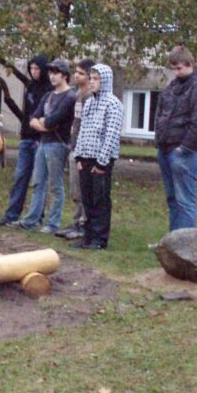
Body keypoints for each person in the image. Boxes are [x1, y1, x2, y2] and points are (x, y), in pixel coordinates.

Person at [153, 46, 197, 232]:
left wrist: (184, 147)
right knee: (173, 200)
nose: (176, 72)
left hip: (183, 152)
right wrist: (159, 140)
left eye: (179, 68)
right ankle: (174, 242)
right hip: (166, 148)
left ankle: (186, 244)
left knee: (185, 200)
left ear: (190, 65)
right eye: (174, 68)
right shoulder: (172, 87)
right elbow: (160, 113)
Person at [19, 59, 77, 234]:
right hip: (43, 142)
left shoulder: (70, 97)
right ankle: (32, 219)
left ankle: (53, 223)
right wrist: (43, 124)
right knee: (38, 182)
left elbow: (53, 120)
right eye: (50, 73)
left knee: (55, 185)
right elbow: (32, 118)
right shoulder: (48, 96)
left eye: (56, 73)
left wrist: (45, 123)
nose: (52, 76)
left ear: (65, 75)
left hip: (57, 144)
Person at [71, 64, 124, 250]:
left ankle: (100, 239)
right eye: (91, 78)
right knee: (87, 199)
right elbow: (82, 130)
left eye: (95, 79)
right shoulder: (89, 102)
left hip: (101, 159)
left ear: (105, 80)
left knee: (100, 199)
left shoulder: (113, 104)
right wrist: (78, 157)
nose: (91, 82)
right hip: (85, 157)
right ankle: (88, 236)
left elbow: (111, 135)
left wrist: (102, 163)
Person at [0, 56, 50, 226]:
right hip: (26, 138)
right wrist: (24, 133)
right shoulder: (30, 87)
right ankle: (12, 214)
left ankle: (36, 216)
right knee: (20, 176)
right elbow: (27, 112)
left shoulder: (49, 89)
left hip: (40, 139)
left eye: (37, 69)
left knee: (39, 180)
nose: (34, 72)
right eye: (31, 68)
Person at [58, 58, 95, 240]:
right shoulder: (78, 95)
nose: (76, 76)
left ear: (89, 76)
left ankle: (84, 223)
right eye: (76, 72)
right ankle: (76, 220)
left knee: (82, 188)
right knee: (74, 188)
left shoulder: (90, 96)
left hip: (84, 149)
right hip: (74, 145)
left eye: (81, 73)